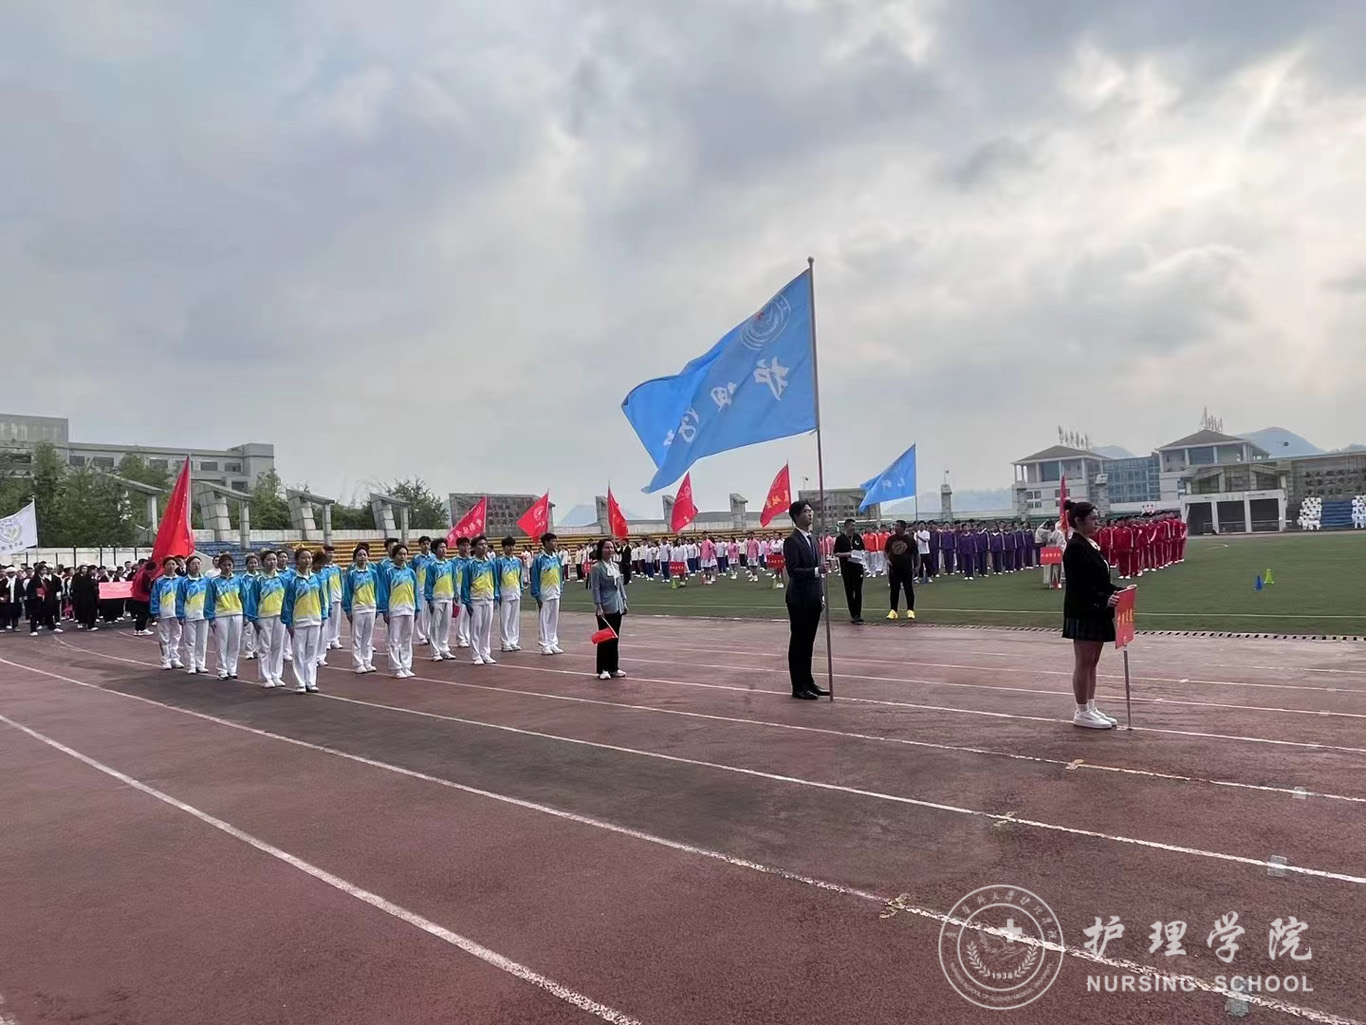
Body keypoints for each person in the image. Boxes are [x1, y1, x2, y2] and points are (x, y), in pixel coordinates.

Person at [1062, 500, 1132, 730]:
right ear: (1079, 520)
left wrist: (1119, 591)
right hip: (1084, 610)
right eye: (1092, 518)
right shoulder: (1075, 547)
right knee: (1084, 661)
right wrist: (1103, 599)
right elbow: (1080, 586)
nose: (1096, 522)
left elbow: (1099, 581)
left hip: (1097, 610)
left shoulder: (1089, 544)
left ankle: (1090, 707)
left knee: (1093, 662)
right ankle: (1081, 710)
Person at [782, 501, 828, 700]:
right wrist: (817, 570)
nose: (810, 514)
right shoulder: (791, 541)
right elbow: (794, 571)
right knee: (799, 643)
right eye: (805, 512)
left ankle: (808, 681)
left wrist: (821, 595)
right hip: (799, 599)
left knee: (808, 643)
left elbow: (817, 572)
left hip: (813, 598)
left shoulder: (813, 539)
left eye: (811, 511)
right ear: (796, 516)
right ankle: (798, 685)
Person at [280, 548, 328, 693]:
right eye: (303, 558)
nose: (307, 561)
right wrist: (288, 622)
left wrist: (323, 616)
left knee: (312, 652)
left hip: (315, 619)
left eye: (309, 558)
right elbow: (287, 603)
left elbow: (322, 599)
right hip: (299, 620)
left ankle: (311, 681)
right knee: (299, 653)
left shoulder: (316, 579)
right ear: (297, 560)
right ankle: (300, 683)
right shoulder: (292, 580)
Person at [376, 544, 419, 678]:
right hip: (395, 609)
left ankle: (406, 665)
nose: (402, 557)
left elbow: (415, 591)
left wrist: (417, 608)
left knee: (407, 638)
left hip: (409, 608)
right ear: (394, 556)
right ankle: (396, 667)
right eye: (400, 554)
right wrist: (385, 610)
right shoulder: (388, 572)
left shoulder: (410, 572)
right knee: (394, 639)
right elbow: (384, 592)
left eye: (405, 554)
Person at [589, 538, 628, 680]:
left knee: (615, 637)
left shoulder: (615, 566)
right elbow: (596, 588)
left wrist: (624, 601)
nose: (610, 550)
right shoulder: (597, 567)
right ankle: (603, 668)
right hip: (605, 606)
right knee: (605, 638)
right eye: (607, 547)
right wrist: (598, 606)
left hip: (617, 605)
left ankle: (613, 667)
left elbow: (620, 585)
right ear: (601, 550)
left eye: (612, 547)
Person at [205, 554, 246, 679]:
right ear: (220, 566)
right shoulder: (214, 581)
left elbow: (243, 597)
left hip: (237, 613)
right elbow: (209, 600)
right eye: (224, 565)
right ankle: (222, 669)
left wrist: (246, 615)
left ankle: (232, 668)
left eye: (229, 565)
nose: (227, 567)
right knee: (221, 643)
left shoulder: (239, 580)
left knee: (235, 643)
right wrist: (211, 618)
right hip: (221, 615)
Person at [342, 544, 379, 674]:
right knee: (357, 637)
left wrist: (377, 606)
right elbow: (348, 592)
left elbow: (376, 590)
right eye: (359, 555)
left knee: (368, 637)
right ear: (355, 558)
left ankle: (367, 661)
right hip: (358, 607)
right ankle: (358, 663)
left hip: (371, 606)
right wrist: (348, 609)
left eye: (364, 555)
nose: (362, 557)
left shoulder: (373, 573)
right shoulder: (351, 574)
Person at [530, 532, 564, 655]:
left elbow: (560, 574)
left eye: (556, 541)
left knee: (554, 618)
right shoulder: (539, 559)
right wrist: (536, 594)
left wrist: (561, 587)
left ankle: (553, 642)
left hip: (555, 591)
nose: (555, 543)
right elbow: (534, 577)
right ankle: (544, 644)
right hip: (544, 593)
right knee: (544, 619)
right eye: (553, 541)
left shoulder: (556, 557)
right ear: (546, 543)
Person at [424, 538, 458, 660]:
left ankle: (444, 648)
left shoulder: (450, 564)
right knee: (435, 625)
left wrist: (455, 593)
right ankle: (435, 651)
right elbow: (429, 583)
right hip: (437, 598)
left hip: (448, 597)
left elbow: (454, 580)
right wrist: (429, 599)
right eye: (441, 547)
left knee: (446, 625)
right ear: (434, 550)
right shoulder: (431, 565)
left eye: (445, 547)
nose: (444, 550)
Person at [831, 518, 866, 624]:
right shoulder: (840, 539)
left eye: (854, 525)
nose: (853, 527)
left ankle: (858, 614)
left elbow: (862, 549)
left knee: (858, 591)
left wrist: (860, 554)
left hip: (857, 567)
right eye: (851, 525)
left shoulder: (857, 537)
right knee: (849, 591)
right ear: (846, 526)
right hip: (847, 568)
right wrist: (847, 554)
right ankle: (853, 614)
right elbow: (836, 553)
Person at [149, 557, 181, 665]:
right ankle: (166, 659)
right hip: (164, 613)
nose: (171, 566)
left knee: (176, 636)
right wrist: (155, 613)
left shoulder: (181, 580)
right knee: (164, 637)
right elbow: (154, 597)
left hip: (177, 613)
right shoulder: (159, 581)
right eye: (168, 564)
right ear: (164, 566)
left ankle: (175, 658)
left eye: (173, 564)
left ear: (176, 566)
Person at [884, 521, 917, 620]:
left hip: (906, 568)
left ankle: (910, 610)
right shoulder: (891, 539)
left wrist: (917, 566)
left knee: (908, 589)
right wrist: (887, 560)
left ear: (903, 528)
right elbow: (885, 551)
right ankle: (893, 610)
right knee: (894, 590)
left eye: (897, 526)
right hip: (894, 568)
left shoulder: (910, 539)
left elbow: (916, 554)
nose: (895, 527)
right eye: (895, 526)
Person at [497, 536, 524, 652]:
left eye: (513, 546)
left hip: (516, 592)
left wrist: (521, 589)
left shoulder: (518, 561)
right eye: (508, 546)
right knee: (505, 618)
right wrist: (498, 593)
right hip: (505, 593)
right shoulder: (499, 561)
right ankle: (505, 642)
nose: (511, 548)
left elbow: (520, 576)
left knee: (514, 618)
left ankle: (513, 641)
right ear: (504, 547)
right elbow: (497, 578)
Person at [317, 545, 344, 659]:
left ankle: (334, 639)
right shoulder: (322, 569)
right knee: (326, 620)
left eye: (332, 553)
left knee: (336, 620)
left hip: (336, 596)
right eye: (328, 553)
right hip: (327, 598)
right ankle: (327, 641)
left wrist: (342, 594)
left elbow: (341, 582)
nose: (331, 555)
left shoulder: (337, 568)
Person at [411, 535, 434, 647]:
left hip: (431, 589)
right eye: (423, 544)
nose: (426, 546)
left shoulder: (433, 558)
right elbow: (412, 573)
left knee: (430, 613)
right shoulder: (416, 559)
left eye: (427, 544)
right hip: (420, 589)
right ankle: (421, 636)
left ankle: (429, 633)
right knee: (421, 614)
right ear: (420, 545)